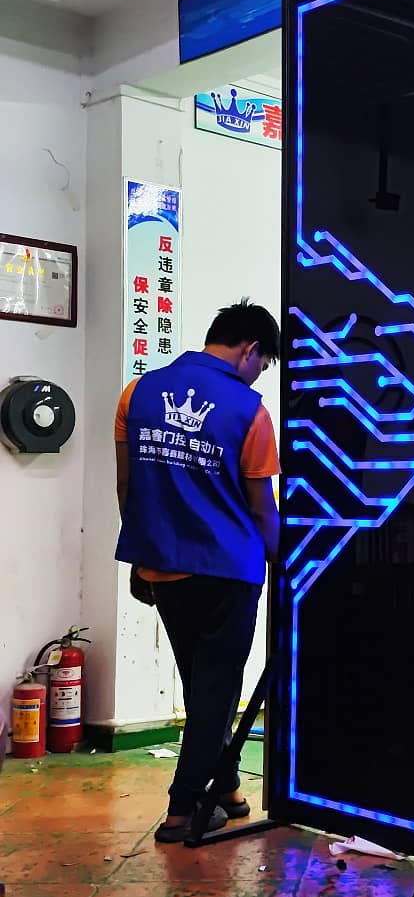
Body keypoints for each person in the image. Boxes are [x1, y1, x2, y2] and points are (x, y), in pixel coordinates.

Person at [114, 300, 281, 843]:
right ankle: (182, 809)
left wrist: (142, 555)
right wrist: (282, 562)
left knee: (202, 684)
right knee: (216, 689)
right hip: (227, 571)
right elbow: (262, 508)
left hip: (163, 566)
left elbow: (128, 486)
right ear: (250, 350)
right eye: (263, 364)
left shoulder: (137, 393)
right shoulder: (249, 411)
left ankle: (226, 787)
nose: (259, 375)